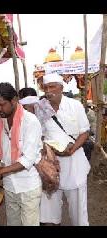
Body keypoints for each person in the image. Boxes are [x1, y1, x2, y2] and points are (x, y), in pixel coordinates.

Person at [0, 82, 43, 226]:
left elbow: (27, 159)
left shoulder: (30, 121)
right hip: (9, 185)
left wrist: (1, 171)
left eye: (2, 105)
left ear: (14, 100)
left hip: (27, 185)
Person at [39, 73, 91, 226]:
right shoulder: (41, 107)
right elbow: (38, 134)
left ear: (61, 88)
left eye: (52, 86)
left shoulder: (75, 105)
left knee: (78, 213)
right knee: (49, 213)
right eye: (46, 87)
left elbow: (85, 132)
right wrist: (47, 149)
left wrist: (72, 149)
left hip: (74, 163)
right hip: (51, 165)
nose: (49, 90)